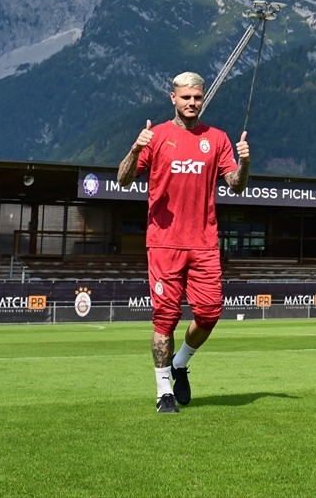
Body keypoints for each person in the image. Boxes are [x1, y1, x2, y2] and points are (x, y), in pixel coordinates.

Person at [117, 71, 251, 414]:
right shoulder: (157, 136)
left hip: (204, 243)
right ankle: (164, 391)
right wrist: (136, 148)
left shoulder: (217, 139)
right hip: (164, 243)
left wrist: (246, 163)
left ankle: (180, 362)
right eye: (186, 97)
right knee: (165, 319)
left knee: (209, 313)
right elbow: (122, 178)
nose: (192, 103)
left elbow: (235, 183)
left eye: (197, 98)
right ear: (172, 98)